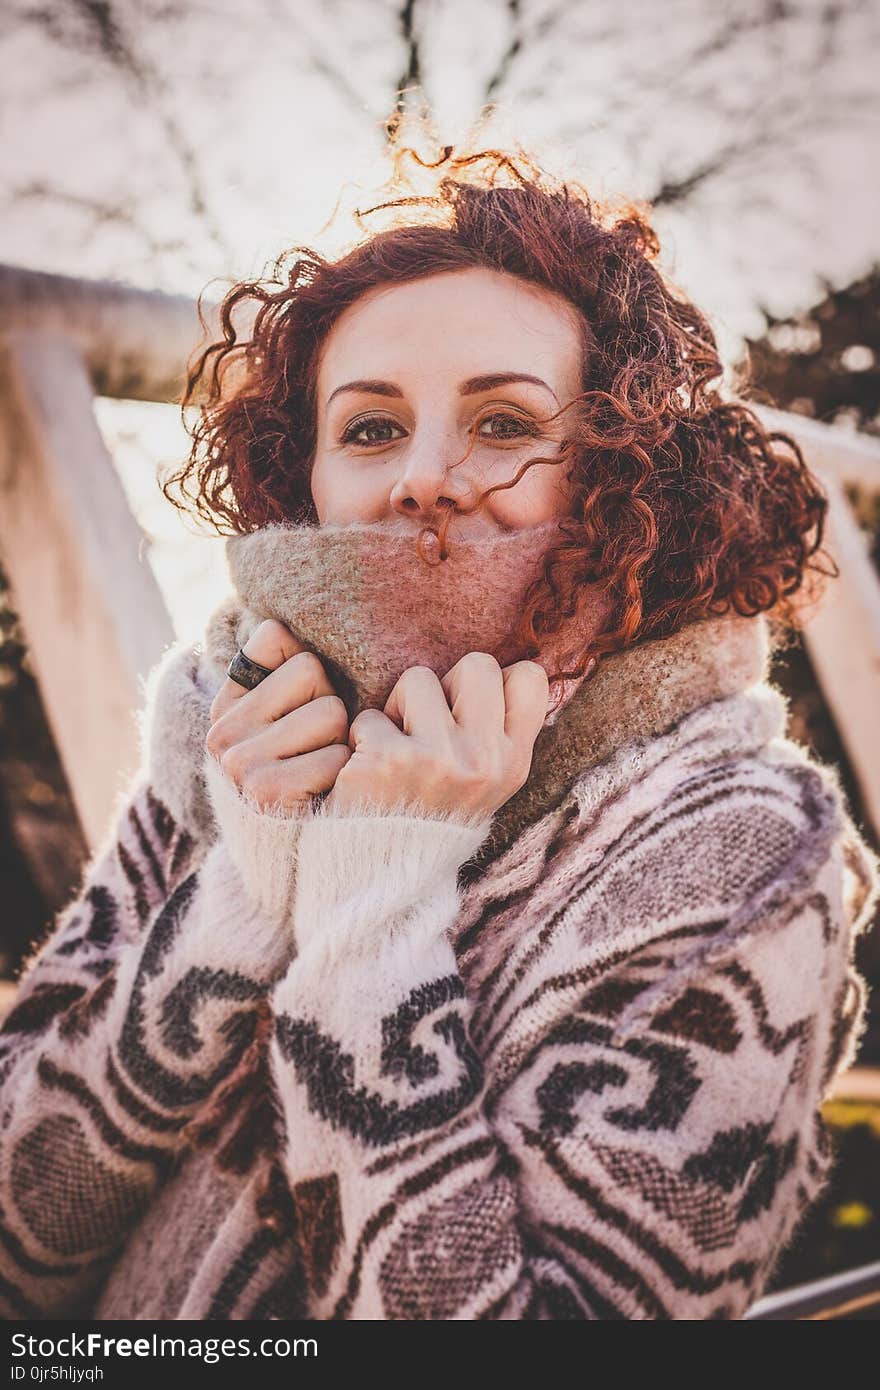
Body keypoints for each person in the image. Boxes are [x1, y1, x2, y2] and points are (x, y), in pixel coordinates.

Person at [0, 140, 876, 1322]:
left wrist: (371, 906)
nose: (423, 477)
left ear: (627, 471)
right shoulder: (223, 731)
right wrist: (247, 898)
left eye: (504, 422)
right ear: (300, 474)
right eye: (367, 429)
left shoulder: (738, 845)